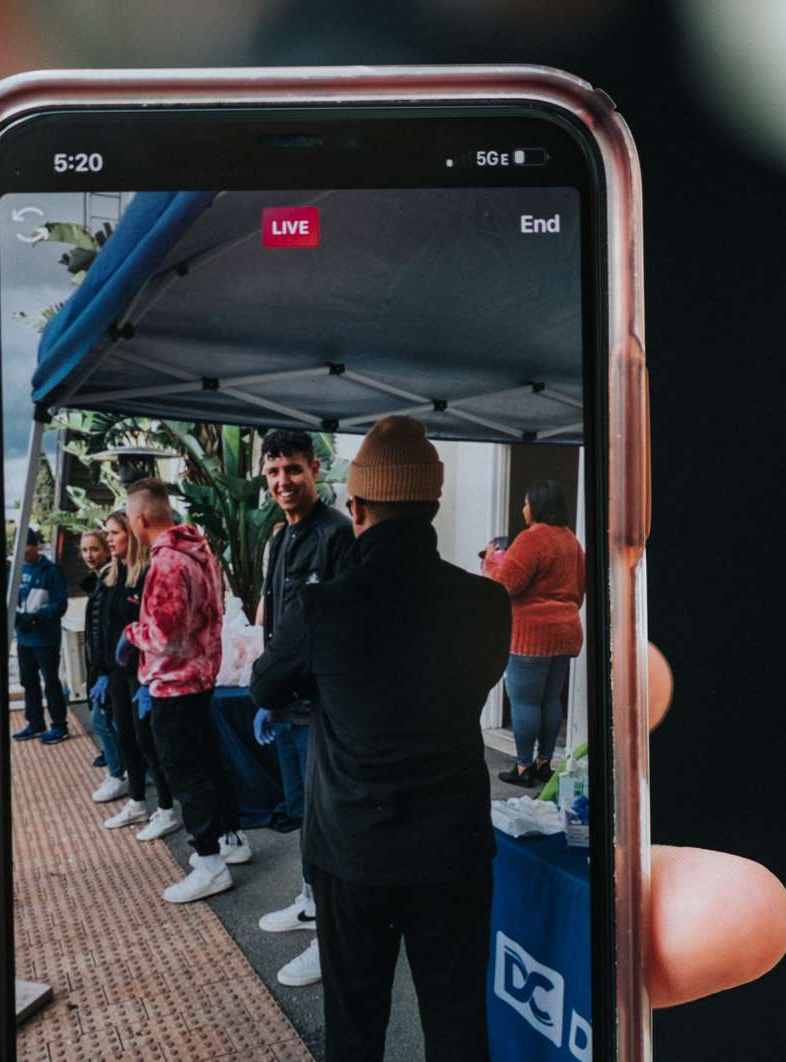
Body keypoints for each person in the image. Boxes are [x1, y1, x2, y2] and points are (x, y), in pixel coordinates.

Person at [0, 467, 786, 1059]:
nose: (291, 489)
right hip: (431, 812)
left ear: (362, 500)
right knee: (452, 994)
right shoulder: (459, 595)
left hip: (361, 807)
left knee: (369, 999)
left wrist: (287, 678)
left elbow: (285, 667)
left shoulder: (348, 582)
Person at [248, 416, 505, 1060]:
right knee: (457, 1024)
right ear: (435, 502)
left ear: (356, 505)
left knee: (355, 1025)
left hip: (352, 851)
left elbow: (264, 686)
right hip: (454, 849)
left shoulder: (323, 607)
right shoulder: (487, 602)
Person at [251, 429, 355, 989]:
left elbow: (338, 630)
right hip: (287, 704)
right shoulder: (282, 538)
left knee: (326, 820)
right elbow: (281, 622)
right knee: (304, 814)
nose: (283, 481)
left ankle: (330, 941)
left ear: (315, 469)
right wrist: (270, 691)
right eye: (273, 473)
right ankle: (313, 902)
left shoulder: (337, 536)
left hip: (323, 710)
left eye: (292, 469)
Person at [119, 477, 249, 903]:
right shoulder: (200, 549)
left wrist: (130, 633)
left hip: (174, 685)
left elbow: (164, 635)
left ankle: (210, 863)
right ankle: (230, 839)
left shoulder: (167, 563)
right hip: (202, 677)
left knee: (185, 770)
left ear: (139, 519)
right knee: (207, 764)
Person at [488, 479, 586, 787]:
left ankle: (523, 768)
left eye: (527, 503)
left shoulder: (533, 538)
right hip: (565, 632)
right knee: (550, 701)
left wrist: (491, 560)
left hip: (531, 635)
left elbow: (504, 585)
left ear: (539, 506)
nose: (523, 508)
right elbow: (580, 588)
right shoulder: (572, 541)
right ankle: (545, 764)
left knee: (525, 703)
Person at [96, 510, 182, 840]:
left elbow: (154, 629)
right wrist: (101, 672)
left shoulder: (145, 574)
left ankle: (166, 807)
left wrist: (147, 679)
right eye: (107, 533)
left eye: (114, 533)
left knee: (148, 741)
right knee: (126, 737)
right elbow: (102, 629)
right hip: (117, 673)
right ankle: (137, 801)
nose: (109, 539)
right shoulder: (110, 577)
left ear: (130, 536)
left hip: (142, 674)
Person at [11, 527, 70, 745]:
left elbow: (60, 605)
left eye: (26, 546)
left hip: (45, 639)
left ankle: (60, 725)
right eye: (19, 547)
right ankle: (35, 723)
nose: (23, 552)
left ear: (35, 546)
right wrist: (18, 618)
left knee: (51, 682)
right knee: (28, 681)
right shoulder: (14, 572)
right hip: (24, 638)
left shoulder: (51, 571)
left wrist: (35, 617)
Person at [77, 528, 123, 776]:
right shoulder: (97, 582)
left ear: (107, 551)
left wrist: (103, 669)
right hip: (101, 665)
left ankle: (118, 771)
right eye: (84, 550)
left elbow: (105, 631)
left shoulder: (108, 582)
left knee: (101, 720)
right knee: (106, 719)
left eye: (94, 549)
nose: (89, 555)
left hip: (108, 666)